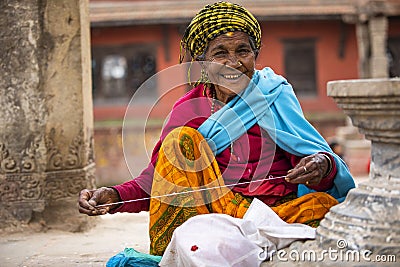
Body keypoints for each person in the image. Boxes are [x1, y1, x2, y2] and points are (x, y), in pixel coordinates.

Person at [78, 1, 355, 259]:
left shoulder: (275, 95)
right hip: (212, 218)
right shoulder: (188, 110)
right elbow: (159, 180)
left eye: (243, 51)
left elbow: (313, 163)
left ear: (255, 54)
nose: (234, 63)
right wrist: (113, 196)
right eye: (220, 53)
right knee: (180, 142)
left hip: (276, 214)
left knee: (326, 210)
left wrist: (322, 165)